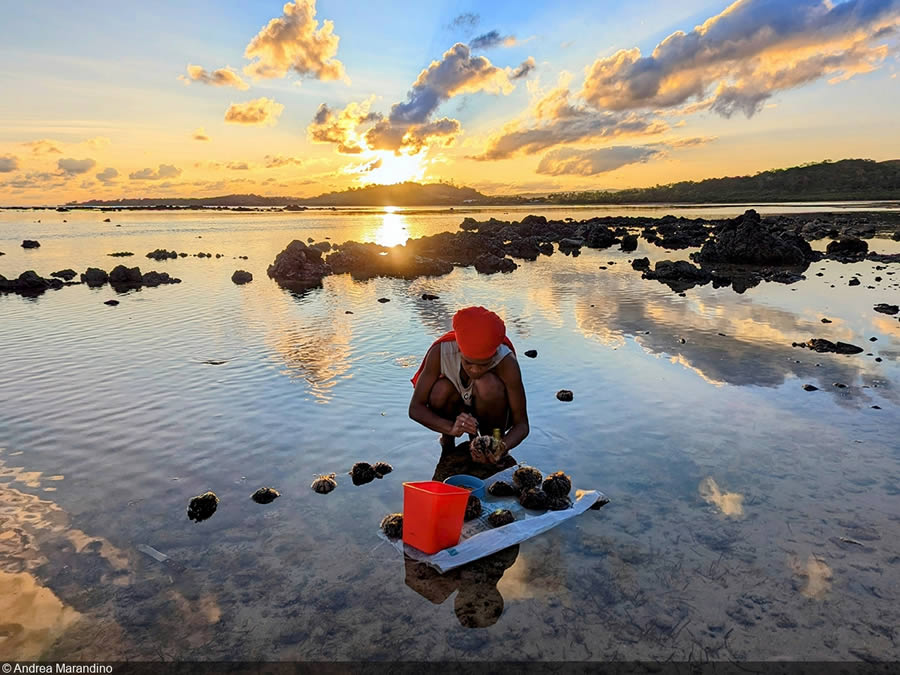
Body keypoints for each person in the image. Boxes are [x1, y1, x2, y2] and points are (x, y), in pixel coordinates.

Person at [409, 306, 529, 463]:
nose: (475, 370)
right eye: (468, 362)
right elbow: (415, 408)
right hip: (455, 414)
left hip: (495, 421)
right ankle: (447, 440)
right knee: (441, 389)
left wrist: (502, 446)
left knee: (488, 384)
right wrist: (450, 428)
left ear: (494, 356)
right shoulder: (441, 352)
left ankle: (490, 442)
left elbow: (522, 424)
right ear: (459, 349)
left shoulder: (506, 361)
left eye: (484, 365)